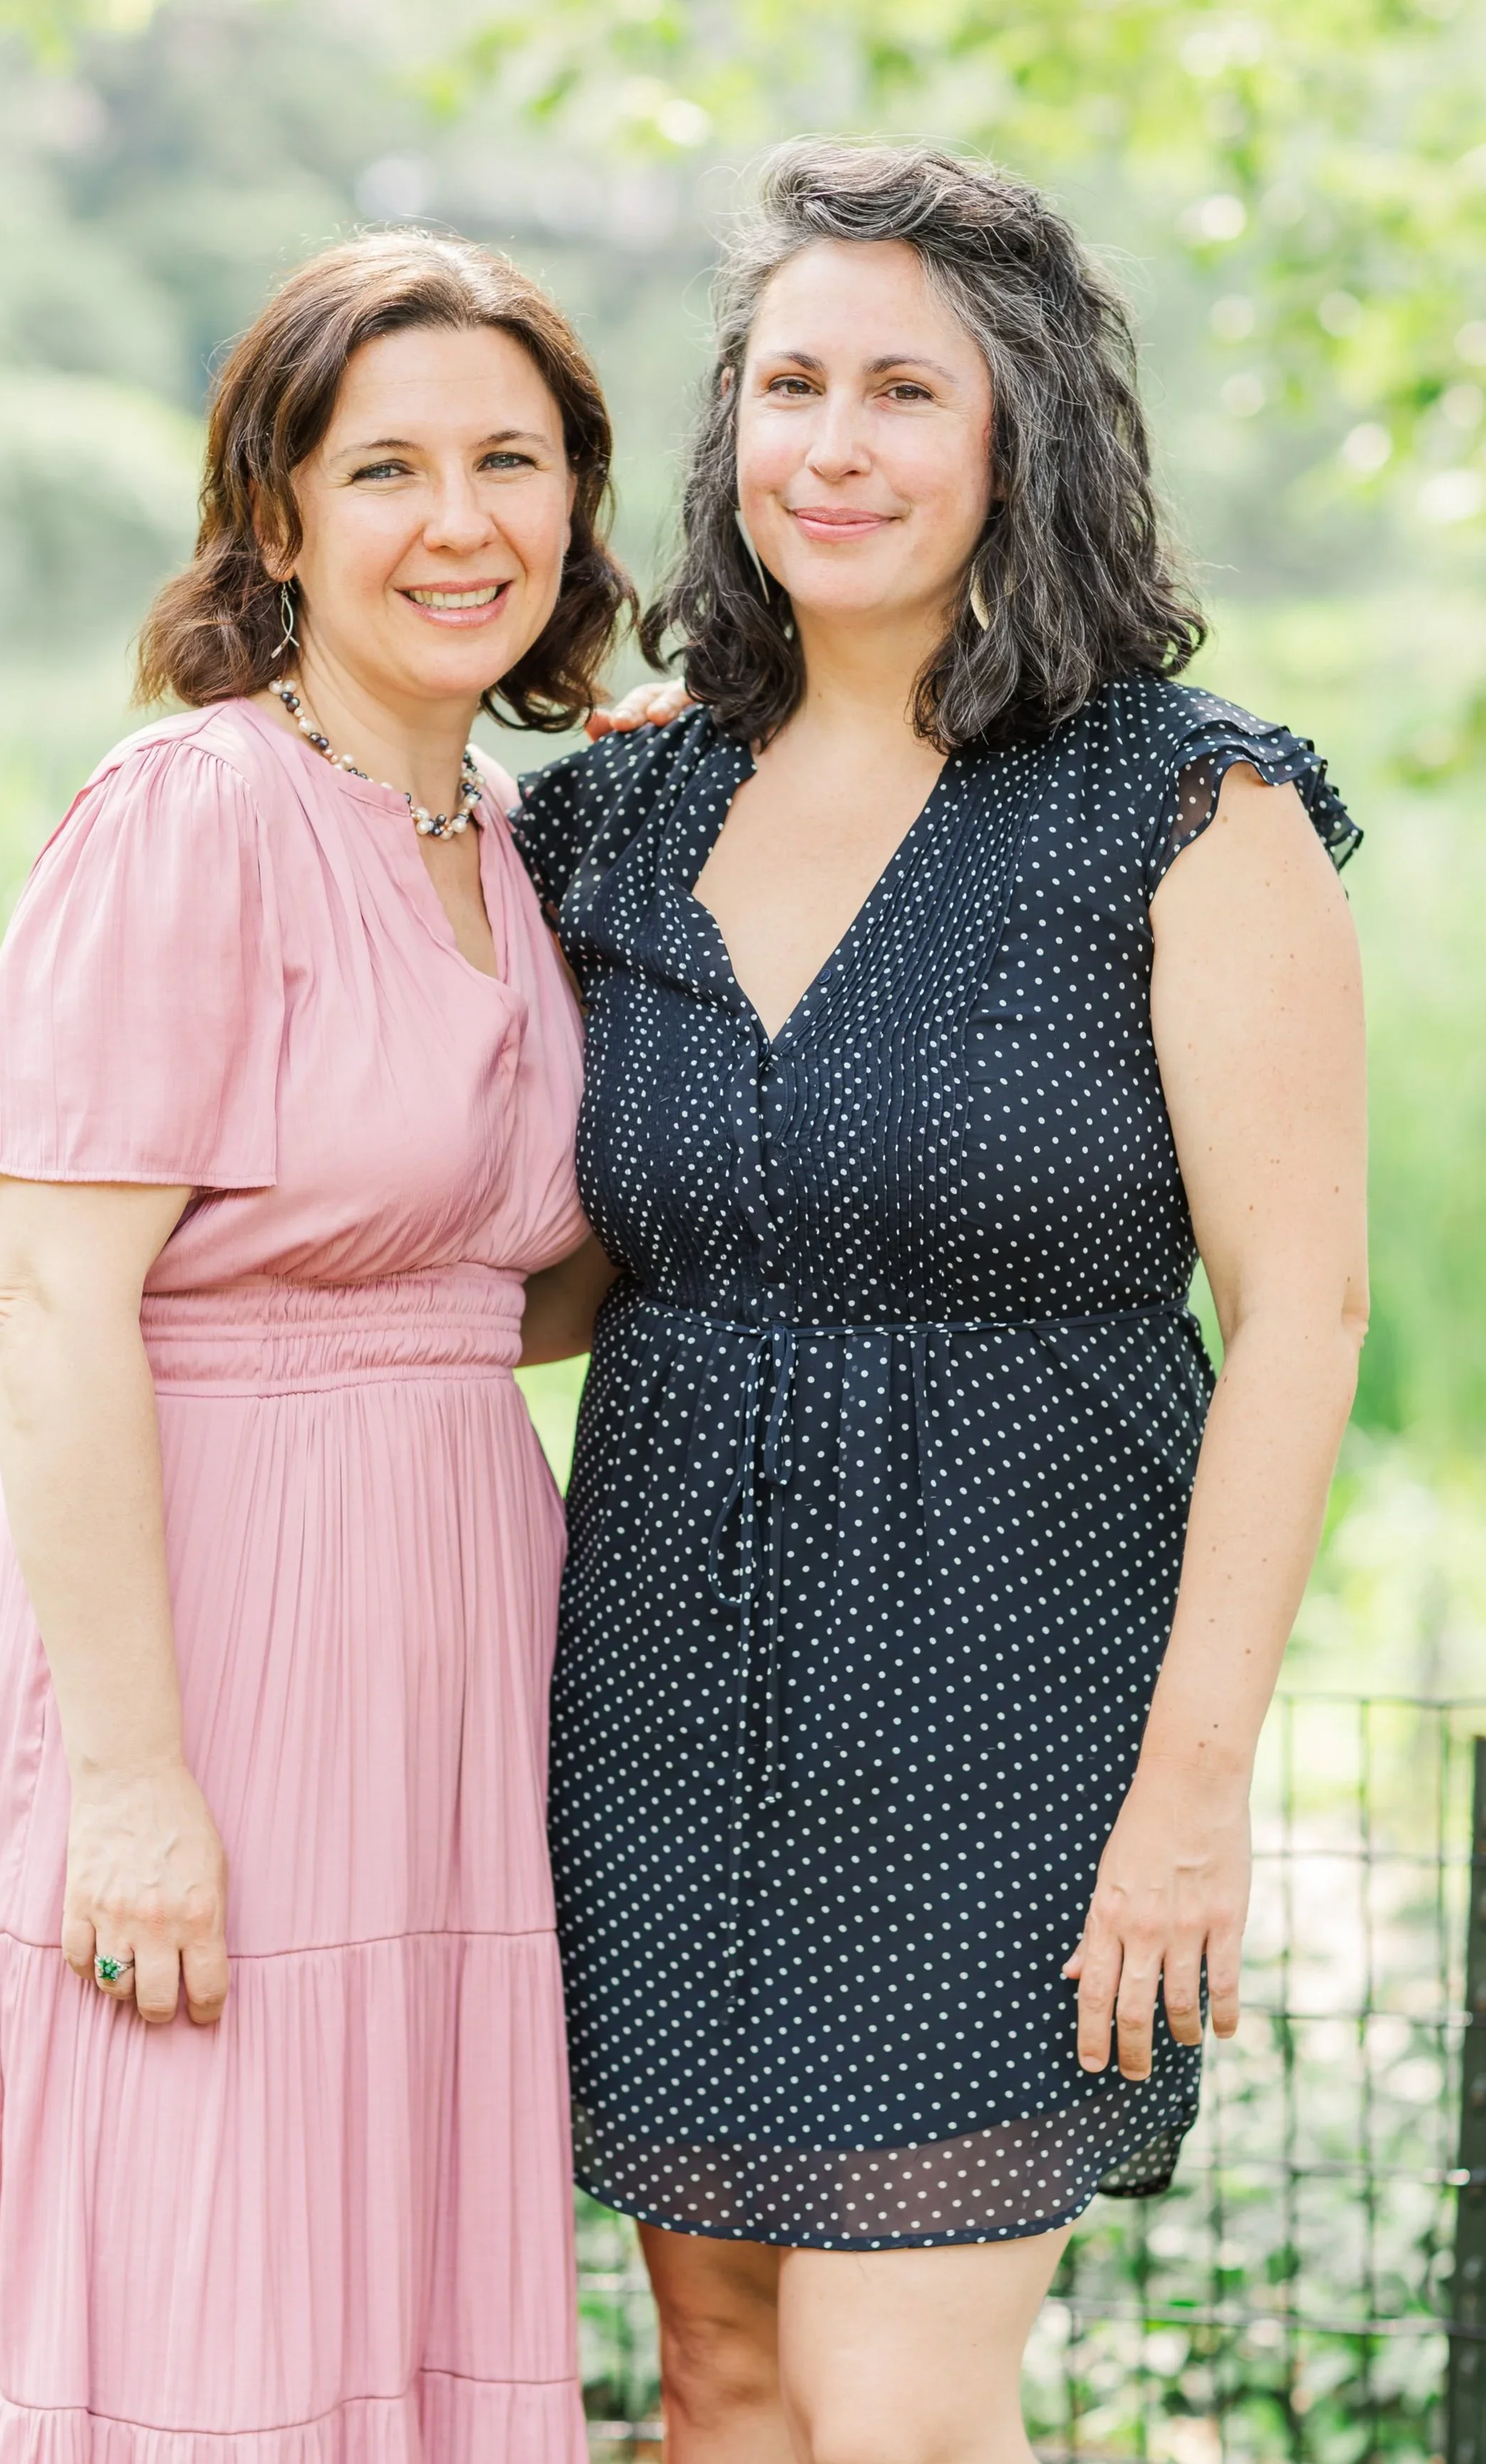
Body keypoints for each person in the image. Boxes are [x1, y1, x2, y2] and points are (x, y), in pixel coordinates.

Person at [511, 141, 1367, 2464]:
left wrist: (1192, 1789)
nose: (835, 442)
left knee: (898, 2410)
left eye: (906, 387)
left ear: (1024, 437)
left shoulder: (1190, 812)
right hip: (666, 1705)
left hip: (1024, 1719)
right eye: (789, 383)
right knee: (722, 2383)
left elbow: (1306, 1318)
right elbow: (563, 1259)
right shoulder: (616, 822)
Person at [0, 231, 623, 2463]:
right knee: (191, 2279)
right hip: (199, 1646)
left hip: (452, 1644)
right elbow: (52, 1301)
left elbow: (513, 1276)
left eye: (510, 457)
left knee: (378, 2281)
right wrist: (133, 1785)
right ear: (276, 516)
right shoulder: (190, 812)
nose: (458, 517)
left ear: (577, 502)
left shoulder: (506, 837)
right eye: (383, 465)